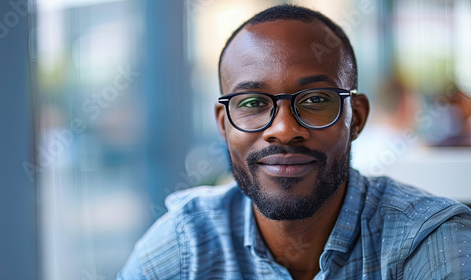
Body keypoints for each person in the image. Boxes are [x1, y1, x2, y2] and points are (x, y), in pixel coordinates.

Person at [118, 5, 471, 280]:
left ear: (357, 118)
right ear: (224, 125)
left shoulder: (429, 244)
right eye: (253, 103)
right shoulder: (185, 247)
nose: (285, 130)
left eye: (316, 100)